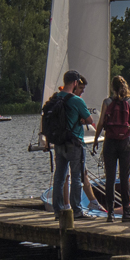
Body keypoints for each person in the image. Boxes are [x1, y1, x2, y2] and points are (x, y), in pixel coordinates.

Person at [93, 75, 130, 222]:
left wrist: (96, 139)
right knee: (124, 178)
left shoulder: (107, 102)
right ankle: (126, 213)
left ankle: (110, 213)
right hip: (125, 143)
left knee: (110, 178)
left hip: (110, 142)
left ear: (112, 87)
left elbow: (101, 122)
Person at [50, 71, 95, 220]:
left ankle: (57, 211)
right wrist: (82, 119)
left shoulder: (55, 98)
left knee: (59, 178)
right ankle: (77, 210)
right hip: (74, 143)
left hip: (59, 143)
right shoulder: (76, 100)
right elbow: (89, 119)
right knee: (76, 177)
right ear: (75, 83)